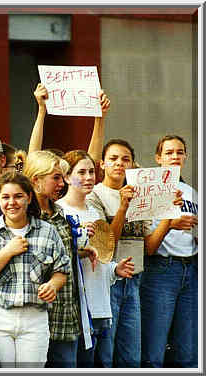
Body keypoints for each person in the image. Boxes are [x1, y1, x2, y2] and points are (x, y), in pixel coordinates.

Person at [86, 139, 183, 368]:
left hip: (135, 280)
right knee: (106, 356)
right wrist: (122, 207)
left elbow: (148, 247)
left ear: (132, 165)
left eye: (125, 159)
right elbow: (105, 244)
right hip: (107, 283)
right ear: (102, 164)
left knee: (131, 357)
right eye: (113, 159)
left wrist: (168, 214)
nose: (119, 163)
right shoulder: (95, 195)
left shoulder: (141, 195)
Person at [0, 172, 70, 367]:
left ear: (29, 198)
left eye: (18, 196)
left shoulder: (48, 231)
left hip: (34, 317)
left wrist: (53, 285)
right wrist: (7, 252)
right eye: (5, 197)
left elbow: (61, 270)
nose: (11, 202)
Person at [57, 149, 135, 367]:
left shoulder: (95, 211)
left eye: (91, 172)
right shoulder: (59, 211)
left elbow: (100, 257)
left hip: (101, 303)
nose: (88, 177)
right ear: (66, 177)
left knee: (102, 364)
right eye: (81, 172)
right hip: (77, 309)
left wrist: (114, 270)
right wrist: (79, 241)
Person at [22, 150, 95, 368]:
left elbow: (60, 256)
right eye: (55, 177)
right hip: (38, 314)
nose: (62, 183)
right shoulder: (25, 217)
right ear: (36, 179)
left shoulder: (61, 214)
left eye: (62, 177)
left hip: (67, 313)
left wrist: (80, 251)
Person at [140, 135, 198, 368]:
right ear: (158, 157)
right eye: (169, 152)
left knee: (188, 345)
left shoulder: (191, 191)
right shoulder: (149, 187)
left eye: (180, 152)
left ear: (185, 156)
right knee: (155, 343)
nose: (175, 156)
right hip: (161, 268)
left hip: (190, 267)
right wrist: (170, 224)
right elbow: (147, 244)